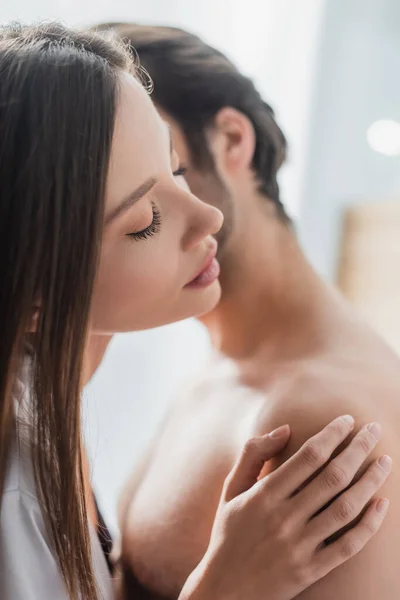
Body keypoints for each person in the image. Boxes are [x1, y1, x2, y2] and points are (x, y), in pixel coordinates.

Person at [0, 21, 391, 600]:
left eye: (176, 166)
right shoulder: (38, 433)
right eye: (144, 220)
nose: (207, 216)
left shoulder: (325, 422)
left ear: (233, 139)